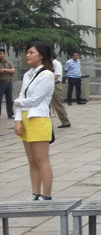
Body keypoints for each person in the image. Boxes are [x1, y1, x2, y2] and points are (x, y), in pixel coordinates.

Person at [14, 41, 56, 201]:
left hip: (38, 119)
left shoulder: (46, 75)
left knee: (41, 160)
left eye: (31, 52)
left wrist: (17, 102)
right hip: (26, 118)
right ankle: (35, 194)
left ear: (41, 55)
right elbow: (22, 97)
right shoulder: (28, 74)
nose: (28, 55)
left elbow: (34, 100)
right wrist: (18, 120)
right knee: (32, 161)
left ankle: (47, 195)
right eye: (27, 52)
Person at [50, 57, 71, 128]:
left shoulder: (57, 64)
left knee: (58, 104)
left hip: (56, 85)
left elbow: (56, 75)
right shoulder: (49, 64)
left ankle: (65, 122)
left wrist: (46, 79)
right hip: (49, 85)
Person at [0, 48, 15, 118]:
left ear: (4, 54)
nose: (0, 56)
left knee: (9, 99)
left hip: (9, 83)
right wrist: (8, 70)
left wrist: (4, 70)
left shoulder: (9, 62)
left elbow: (13, 70)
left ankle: (10, 114)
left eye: (1, 54)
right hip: (1, 83)